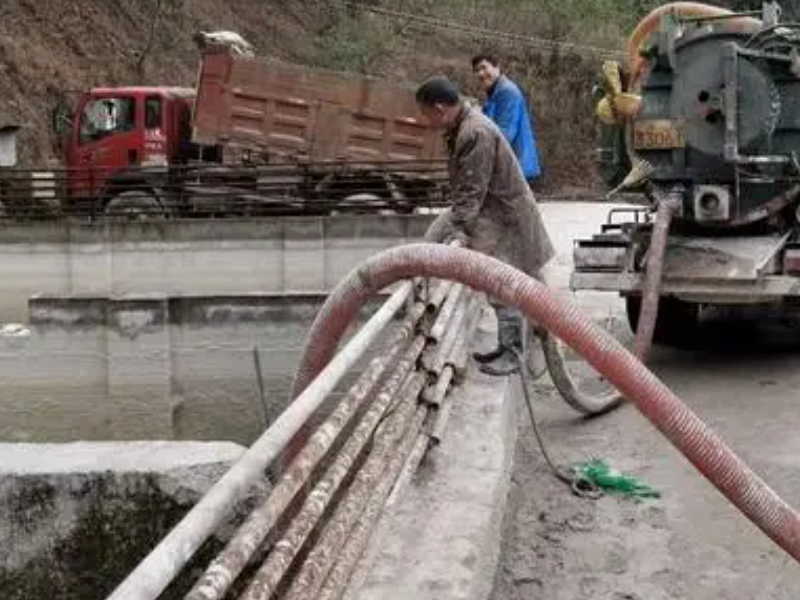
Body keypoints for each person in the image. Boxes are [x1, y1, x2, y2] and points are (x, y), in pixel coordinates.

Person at [415, 76, 554, 375]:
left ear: (439, 108)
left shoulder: (474, 132)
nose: (427, 122)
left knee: (503, 287)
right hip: (498, 214)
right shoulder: (465, 126)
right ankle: (510, 348)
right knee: (504, 286)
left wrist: (456, 230)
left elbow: (471, 193)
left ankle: (513, 353)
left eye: (426, 114)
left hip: (505, 218)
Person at [472, 54, 542, 186]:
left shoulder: (507, 92)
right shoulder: (495, 93)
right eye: (476, 70)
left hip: (514, 163)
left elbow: (505, 133)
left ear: (497, 67)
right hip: (509, 164)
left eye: (483, 67)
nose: (480, 73)